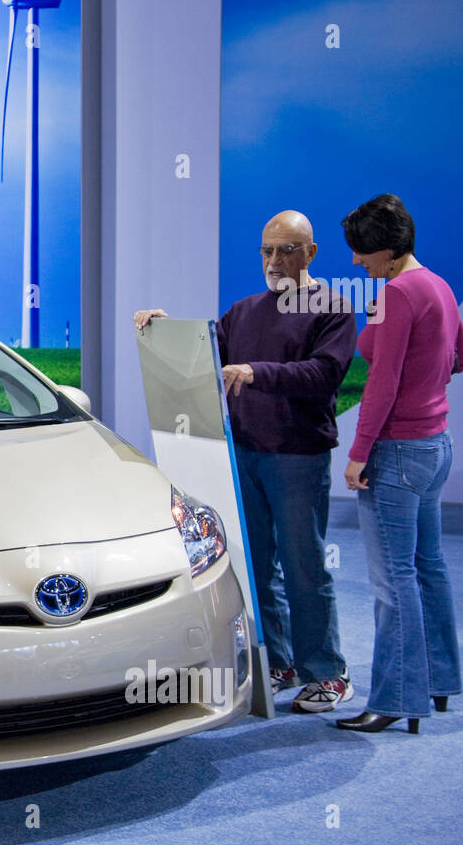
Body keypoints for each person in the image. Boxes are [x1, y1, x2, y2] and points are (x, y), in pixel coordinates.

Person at [135, 210, 358, 713]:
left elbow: (324, 374)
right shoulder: (245, 309)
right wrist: (164, 329)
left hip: (297, 457)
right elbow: (205, 352)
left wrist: (258, 373)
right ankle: (277, 663)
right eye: (267, 251)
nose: (275, 260)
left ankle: (326, 671)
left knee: (304, 568)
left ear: (312, 253)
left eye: (288, 250)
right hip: (242, 454)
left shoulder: (333, 309)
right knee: (255, 566)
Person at [337, 194, 463, 735]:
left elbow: (381, 385)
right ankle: (436, 685)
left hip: (395, 453)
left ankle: (393, 699)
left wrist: (359, 453)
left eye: (361, 253)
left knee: (394, 582)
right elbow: (459, 359)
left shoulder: (395, 296)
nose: (355, 263)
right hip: (436, 448)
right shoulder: (437, 285)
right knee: (428, 570)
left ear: (386, 251)